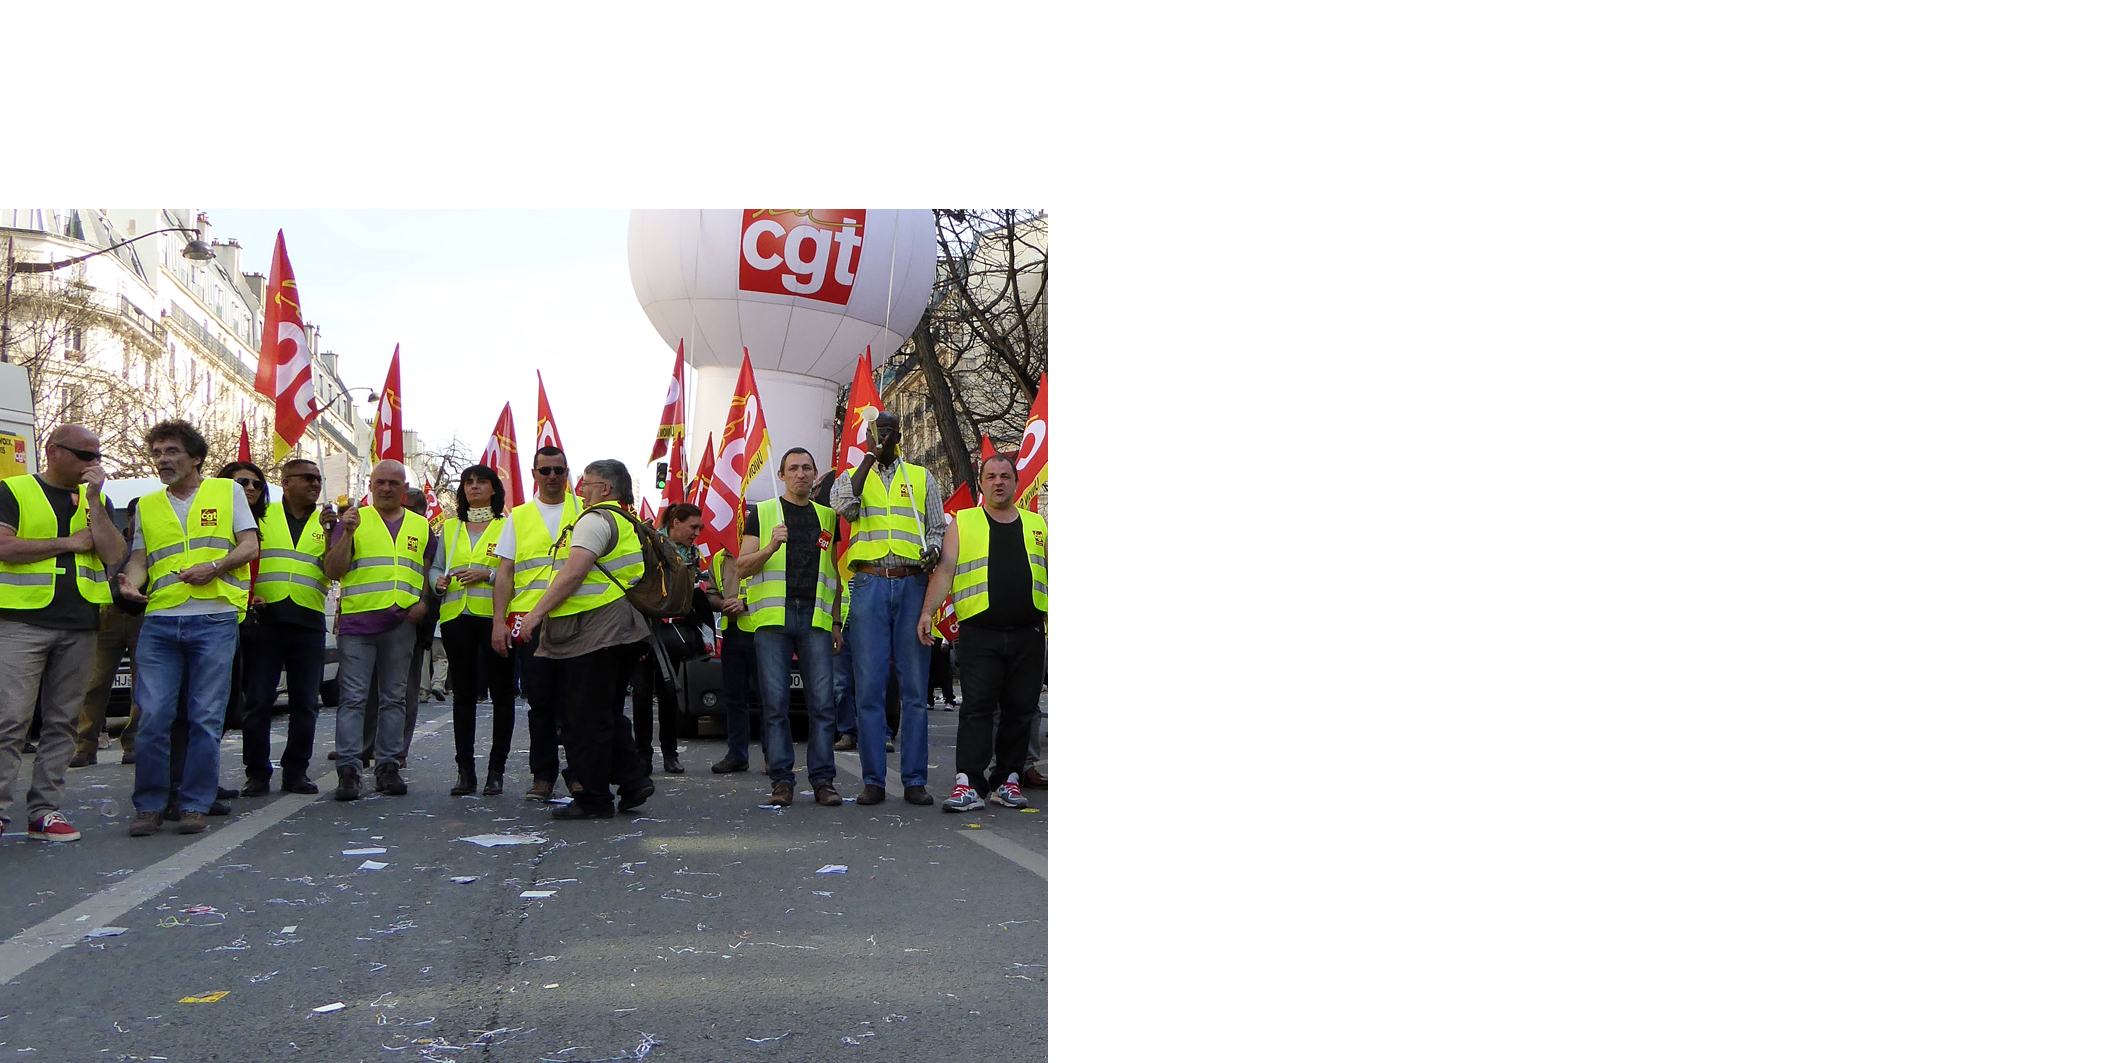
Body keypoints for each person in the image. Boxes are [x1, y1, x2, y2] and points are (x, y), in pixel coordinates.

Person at [116, 420, 258, 836]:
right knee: (153, 716)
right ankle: (150, 806)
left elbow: (249, 545)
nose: (163, 459)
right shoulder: (146, 505)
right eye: (158, 452)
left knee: (204, 717)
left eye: (172, 451)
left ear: (196, 458)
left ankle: (195, 803)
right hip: (160, 620)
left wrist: (214, 566)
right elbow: (141, 560)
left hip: (214, 618)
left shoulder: (226, 491)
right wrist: (130, 582)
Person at [0, 426, 125, 841]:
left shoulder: (97, 500)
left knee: (63, 722)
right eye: (83, 455)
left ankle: (45, 811)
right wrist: (68, 544)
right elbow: (3, 547)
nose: (93, 463)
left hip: (80, 623)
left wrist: (95, 501)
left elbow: (113, 555)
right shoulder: (14, 490)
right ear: (52, 451)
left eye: (97, 455)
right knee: (10, 720)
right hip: (21, 622)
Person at [515, 459, 652, 820]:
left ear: (605, 489)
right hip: (622, 630)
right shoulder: (625, 522)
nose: (579, 487)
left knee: (584, 717)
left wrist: (535, 614)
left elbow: (574, 573)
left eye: (586, 482)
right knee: (605, 711)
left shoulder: (594, 520)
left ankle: (593, 797)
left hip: (595, 632)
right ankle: (632, 779)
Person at [829, 410, 946, 806]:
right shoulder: (851, 477)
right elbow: (845, 509)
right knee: (870, 689)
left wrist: (932, 551)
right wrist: (868, 457)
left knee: (914, 689)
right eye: (877, 432)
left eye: (890, 432)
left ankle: (914, 780)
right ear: (868, 435)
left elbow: (936, 529)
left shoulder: (920, 478)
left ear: (900, 435)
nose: (884, 437)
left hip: (911, 581)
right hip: (869, 584)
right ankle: (873, 780)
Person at [921, 453, 1047, 812]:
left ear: (1016, 482)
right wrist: (928, 611)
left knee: (1021, 709)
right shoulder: (964, 522)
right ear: (981, 483)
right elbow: (944, 571)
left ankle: (1008, 778)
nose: (998, 482)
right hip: (980, 633)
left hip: (1028, 632)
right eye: (991, 476)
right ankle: (969, 783)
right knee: (976, 708)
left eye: (1005, 476)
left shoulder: (1037, 524)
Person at [732, 449, 843, 806]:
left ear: (814, 475)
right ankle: (782, 781)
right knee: (776, 704)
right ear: (781, 475)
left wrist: (838, 622)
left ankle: (824, 781)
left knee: (824, 705)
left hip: (816, 619)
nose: (800, 474)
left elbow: (834, 574)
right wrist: (770, 546)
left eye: (806, 468)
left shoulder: (828, 516)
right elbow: (741, 567)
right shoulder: (762, 513)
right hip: (773, 621)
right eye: (793, 468)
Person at [322, 460, 433, 801]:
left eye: (393, 483)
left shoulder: (420, 525)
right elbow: (333, 570)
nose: (386, 488)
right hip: (359, 622)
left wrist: (424, 603)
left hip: (401, 622)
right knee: (354, 698)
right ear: (370, 485)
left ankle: (388, 766)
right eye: (379, 482)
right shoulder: (354, 518)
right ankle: (350, 771)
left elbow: (427, 570)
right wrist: (347, 533)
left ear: (404, 487)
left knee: (394, 698)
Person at [238, 457, 332, 797]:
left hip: (308, 619)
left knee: (306, 703)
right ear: (286, 481)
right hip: (266, 620)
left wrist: (337, 532)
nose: (314, 484)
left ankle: (296, 772)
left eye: (318, 479)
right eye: (307, 478)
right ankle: (257, 773)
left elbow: (335, 567)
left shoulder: (326, 523)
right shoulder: (261, 515)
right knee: (259, 700)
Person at [489, 446, 579, 801]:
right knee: (540, 703)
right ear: (534, 474)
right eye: (546, 471)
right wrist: (499, 622)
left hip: (577, 617)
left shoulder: (584, 511)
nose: (553, 477)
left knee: (575, 703)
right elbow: (505, 573)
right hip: (530, 622)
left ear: (568, 473)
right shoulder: (520, 517)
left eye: (559, 470)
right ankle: (543, 776)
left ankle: (578, 774)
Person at [433, 465, 515, 796]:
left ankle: (497, 770)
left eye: (481, 482)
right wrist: (435, 582)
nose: (474, 487)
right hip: (456, 616)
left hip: (496, 618)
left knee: (502, 693)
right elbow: (438, 566)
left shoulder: (508, 526)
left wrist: (488, 575)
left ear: (494, 488)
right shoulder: (450, 527)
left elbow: (517, 573)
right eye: (468, 482)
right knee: (464, 695)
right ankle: (465, 771)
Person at [630, 502, 705, 773]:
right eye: (693, 526)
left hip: (672, 629)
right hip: (644, 628)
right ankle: (642, 755)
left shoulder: (693, 553)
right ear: (675, 523)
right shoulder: (649, 544)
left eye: (700, 527)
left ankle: (669, 753)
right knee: (641, 693)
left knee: (669, 692)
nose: (697, 532)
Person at [706, 534, 759, 774]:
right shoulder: (718, 559)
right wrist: (722, 603)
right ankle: (737, 754)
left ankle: (774, 756)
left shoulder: (762, 553)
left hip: (760, 630)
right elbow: (712, 592)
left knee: (767, 697)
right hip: (732, 633)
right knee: (734, 696)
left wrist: (745, 604)